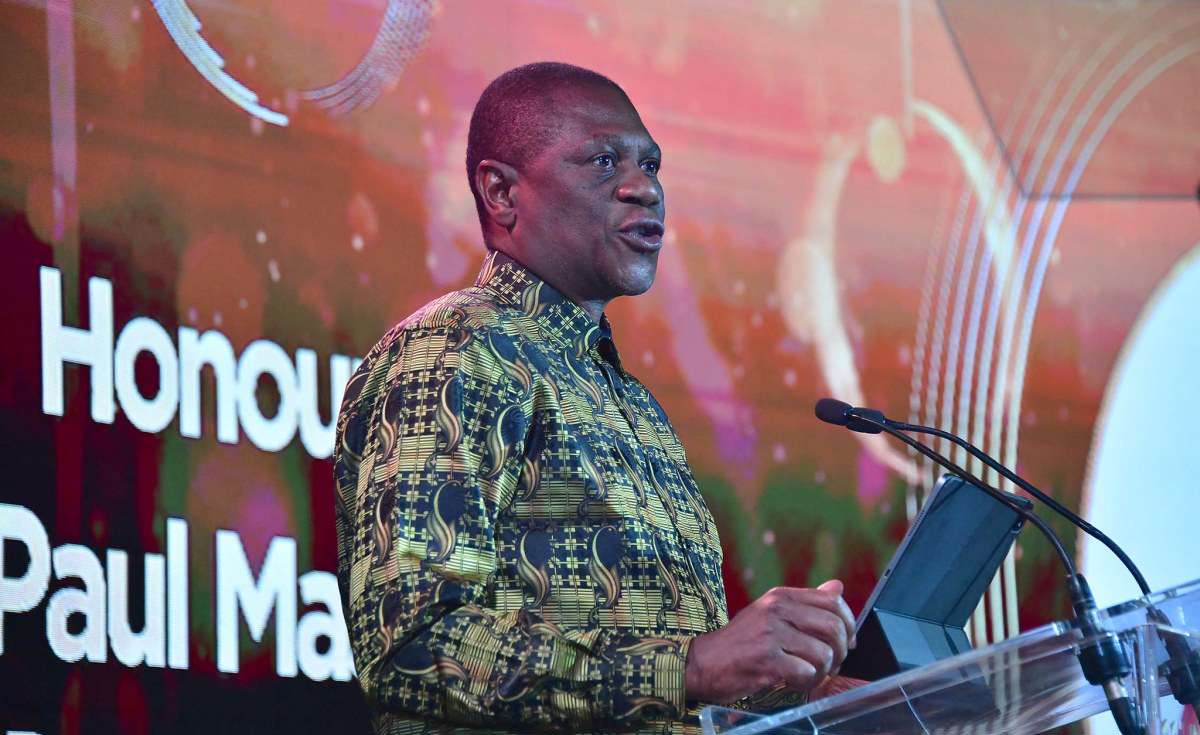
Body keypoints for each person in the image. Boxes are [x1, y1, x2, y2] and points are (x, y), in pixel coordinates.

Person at [333, 61, 857, 735]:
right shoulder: (456, 347)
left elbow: (674, 690)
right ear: (500, 192)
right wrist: (694, 665)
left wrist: (813, 695)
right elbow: (412, 646)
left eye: (651, 165)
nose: (646, 188)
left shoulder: (637, 407)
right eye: (604, 161)